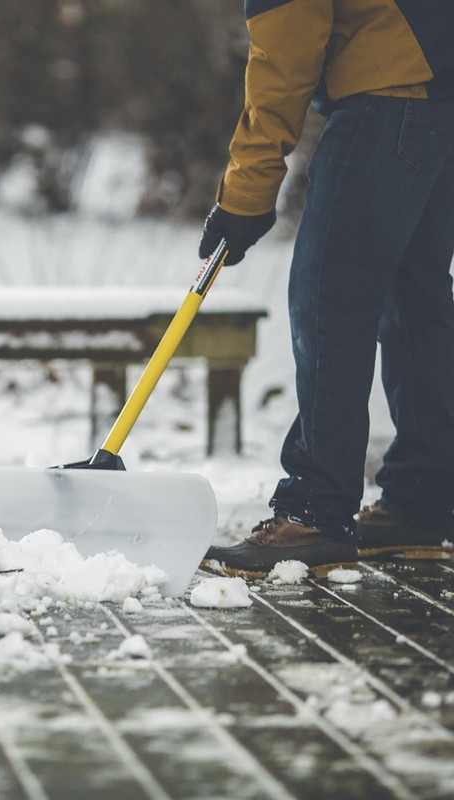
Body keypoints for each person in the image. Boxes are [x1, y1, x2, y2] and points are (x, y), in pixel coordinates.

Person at [199, 0, 454, 578]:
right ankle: (421, 498)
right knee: (416, 300)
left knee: (329, 299)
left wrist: (244, 195)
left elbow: (285, 58)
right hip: (439, 93)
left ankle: (315, 510)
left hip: (386, 94)